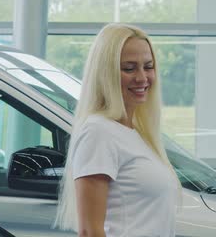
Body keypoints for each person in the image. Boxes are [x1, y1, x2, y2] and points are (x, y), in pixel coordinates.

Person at [55, 23, 179, 236]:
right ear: (106, 73)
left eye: (148, 66)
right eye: (129, 68)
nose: (142, 78)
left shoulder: (136, 133)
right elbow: (89, 232)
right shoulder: (98, 132)